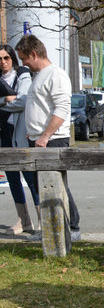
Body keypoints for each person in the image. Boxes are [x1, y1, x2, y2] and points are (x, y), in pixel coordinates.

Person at [15, 35, 80, 241]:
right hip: (39, 139)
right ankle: (51, 230)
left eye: (24, 58)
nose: (23, 63)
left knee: (56, 185)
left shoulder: (56, 75)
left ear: (34, 54)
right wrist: (34, 131)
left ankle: (73, 227)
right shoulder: (40, 76)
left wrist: (45, 135)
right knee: (43, 186)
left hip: (52, 140)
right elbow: (42, 108)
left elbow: (62, 109)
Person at [0, 44, 39, 235]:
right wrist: (4, 100)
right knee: (13, 180)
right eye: (0, 59)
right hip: (4, 135)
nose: (3, 62)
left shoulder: (22, 75)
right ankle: (24, 221)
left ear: (12, 58)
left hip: (21, 135)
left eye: (6, 58)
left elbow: (23, 101)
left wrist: (9, 101)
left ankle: (43, 220)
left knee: (31, 180)